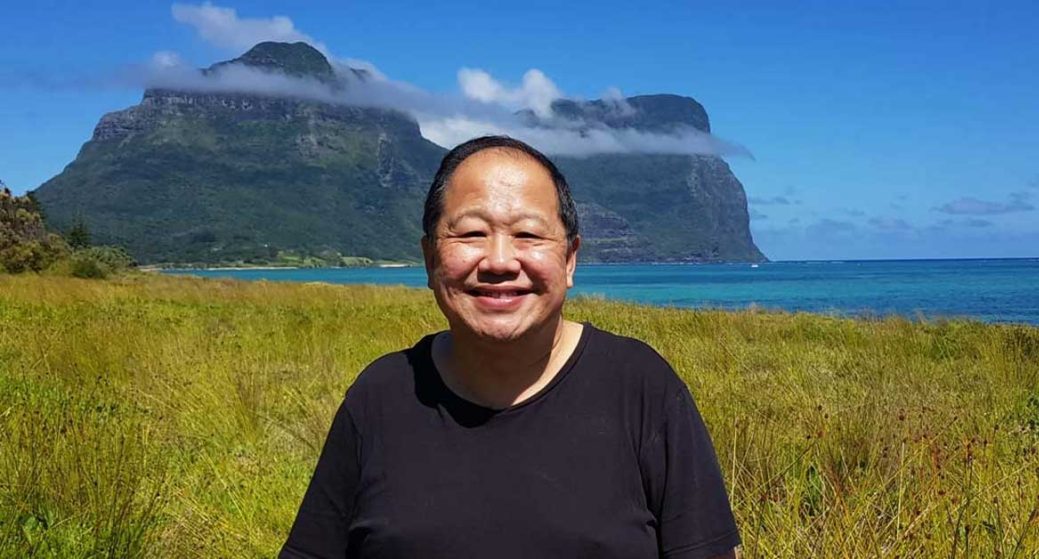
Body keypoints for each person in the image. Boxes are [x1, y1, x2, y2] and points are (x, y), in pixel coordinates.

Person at [280, 136, 740, 559]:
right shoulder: (381, 394)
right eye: (471, 233)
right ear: (429, 258)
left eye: (529, 235)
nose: (500, 262)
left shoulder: (641, 388)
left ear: (570, 259)